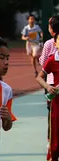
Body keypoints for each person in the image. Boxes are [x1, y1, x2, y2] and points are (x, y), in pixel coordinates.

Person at [36, 32, 59, 161]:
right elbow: (39, 77)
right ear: (55, 44)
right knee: (56, 132)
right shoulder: (52, 60)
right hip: (57, 102)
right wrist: (48, 87)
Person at [39, 16, 59, 144]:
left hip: (51, 83)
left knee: (52, 114)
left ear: (52, 29)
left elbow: (43, 62)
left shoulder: (49, 43)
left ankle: (51, 140)